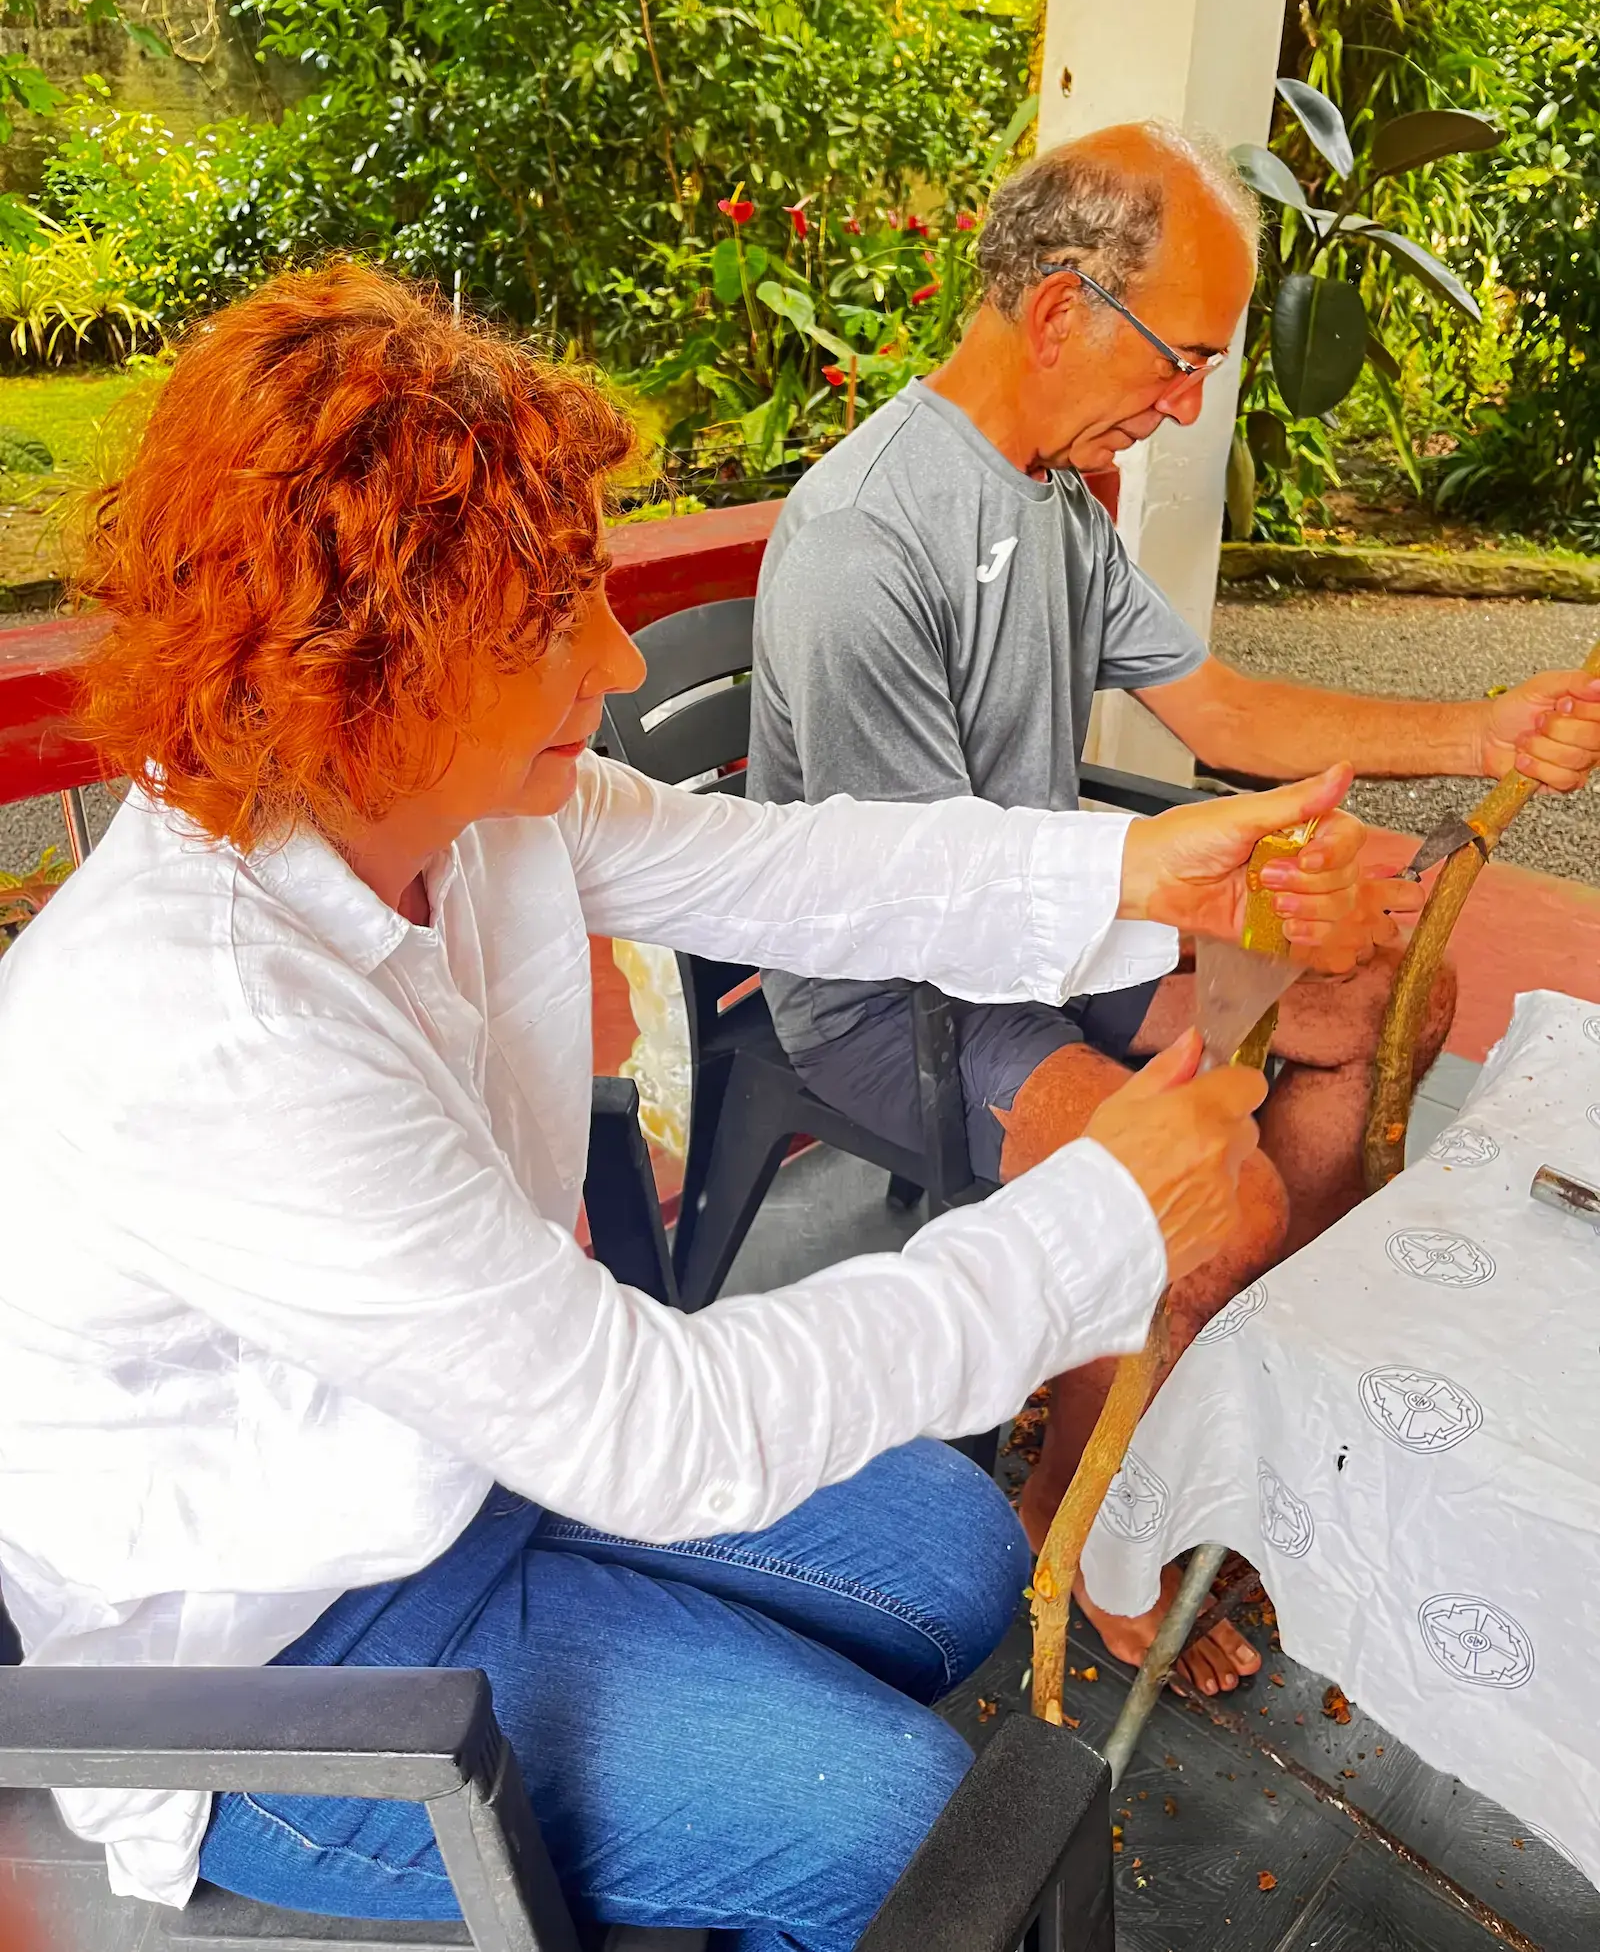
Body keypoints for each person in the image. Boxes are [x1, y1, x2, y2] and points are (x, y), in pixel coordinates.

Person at [0, 263, 1399, 1951]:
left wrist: (1139, 865)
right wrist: (1106, 1213)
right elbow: (651, 1427)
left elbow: (792, 864)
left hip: (456, 1437)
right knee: (916, 1831)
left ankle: (718, 1734)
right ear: (359, 671)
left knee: (954, 1558)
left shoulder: (443, 806)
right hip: (282, 1646)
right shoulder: (212, 1022)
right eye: (547, 628)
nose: (612, 655)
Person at [746, 118, 1600, 1687]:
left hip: (1040, 934)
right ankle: (1088, 1511)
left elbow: (1216, 711)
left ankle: (1209, 1406)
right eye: (1181, 357)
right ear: (1061, 310)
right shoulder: (871, 536)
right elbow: (915, 914)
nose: (1190, 402)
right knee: (1202, 1205)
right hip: (898, 1000)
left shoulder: (1060, 497)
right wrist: (1229, 902)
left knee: (1385, 994)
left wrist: (1478, 734)